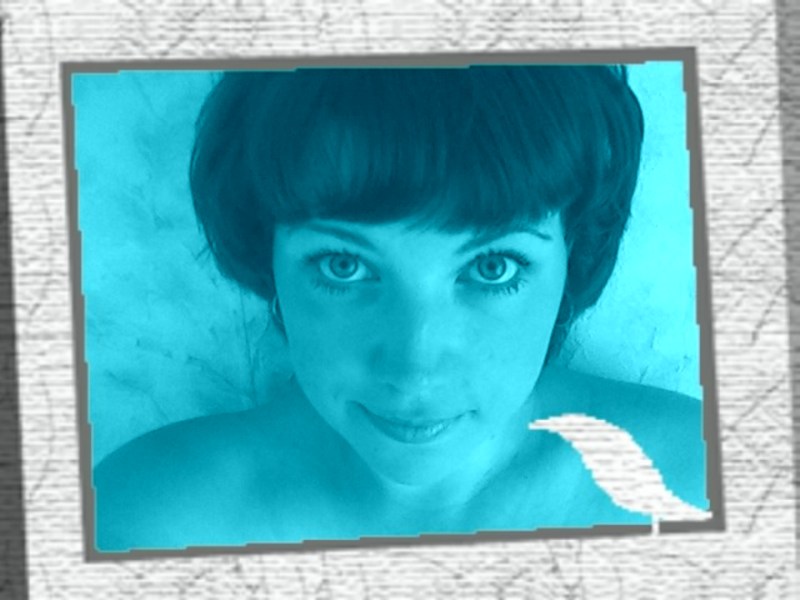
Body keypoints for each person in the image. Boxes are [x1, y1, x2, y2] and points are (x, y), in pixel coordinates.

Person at [93, 65, 708, 551]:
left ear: (576, 256)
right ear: (266, 257)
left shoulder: (703, 483)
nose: (416, 370)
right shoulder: (143, 523)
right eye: (343, 265)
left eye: (492, 267)